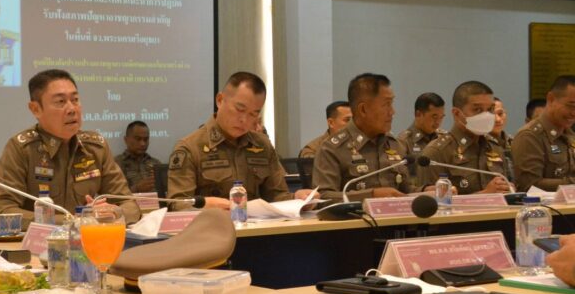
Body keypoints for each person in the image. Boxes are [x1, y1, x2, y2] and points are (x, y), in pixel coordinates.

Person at [0, 69, 140, 224]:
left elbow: (130, 206)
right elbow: (2, 213)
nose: (72, 109)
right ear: (36, 109)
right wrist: (74, 221)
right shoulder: (21, 149)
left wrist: (114, 212)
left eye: (75, 100)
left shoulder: (95, 147)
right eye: (60, 102)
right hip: (41, 239)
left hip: (88, 237)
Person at [167, 71, 315, 210]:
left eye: (253, 114)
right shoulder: (190, 147)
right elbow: (177, 204)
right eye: (240, 109)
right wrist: (206, 205)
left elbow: (277, 197)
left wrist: (297, 199)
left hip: (259, 227)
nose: (244, 120)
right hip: (213, 226)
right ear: (220, 100)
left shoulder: (262, 145)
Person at [314, 73, 418, 201]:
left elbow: (405, 191)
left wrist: (427, 190)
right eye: (386, 104)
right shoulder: (332, 149)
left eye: (392, 104)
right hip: (356, 214)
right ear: (363, 109)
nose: (392, 112)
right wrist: (370, 195)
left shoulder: (394, 144)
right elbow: (323, 197)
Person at [419, 81, 511, 194]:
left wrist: (508, 190)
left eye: (490, 109)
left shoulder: (495, 147)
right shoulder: (437, 152)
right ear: (457, 113)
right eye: (477, 110)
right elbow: (430, 202)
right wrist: (485, 194)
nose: (486, 116)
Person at [512, 75, 575, 192]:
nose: (573, 113)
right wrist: (572, 183)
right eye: (571, 106)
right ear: (551, 99)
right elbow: (529, 185)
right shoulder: (529, 136)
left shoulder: (569, 134)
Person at [115, 120, 162, 193]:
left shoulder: (156, 164)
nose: (143, 143)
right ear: (126, 140)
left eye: (146, 139)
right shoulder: (116, 164)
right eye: (138, 139)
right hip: (129, 200)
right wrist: (137, 189)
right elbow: (113, 194)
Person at [490, 97, 515, 181]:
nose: (497, 119)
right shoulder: (479, 144)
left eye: (500, 113)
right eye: (492, 115)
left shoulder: (515, 142)